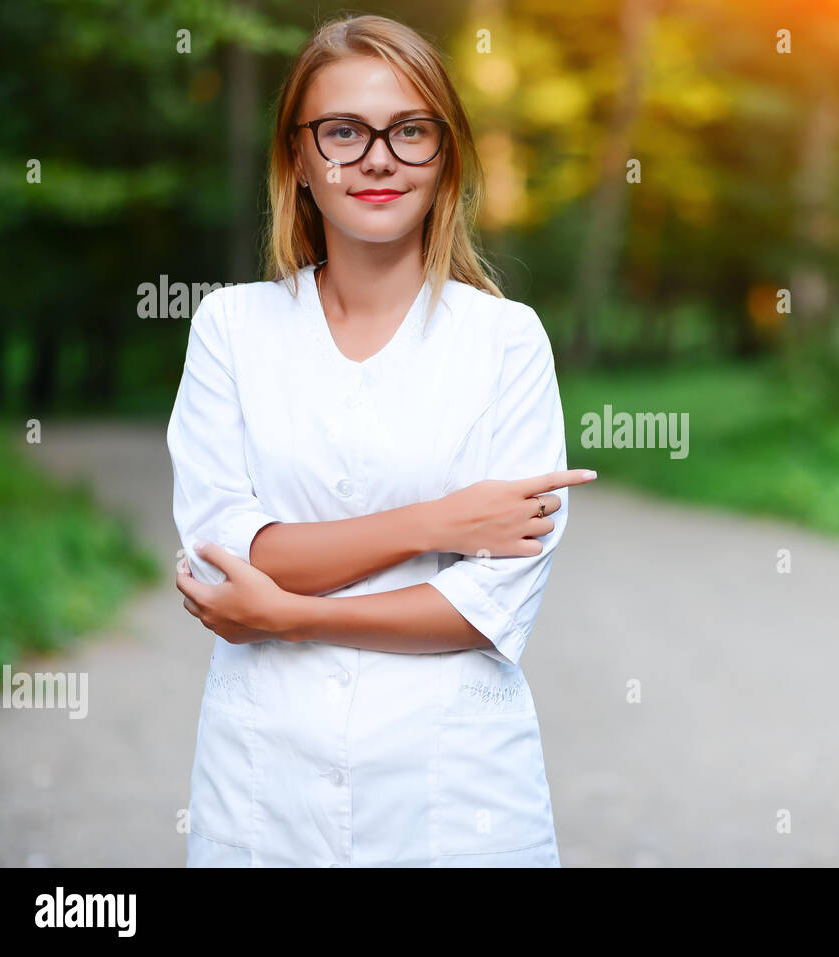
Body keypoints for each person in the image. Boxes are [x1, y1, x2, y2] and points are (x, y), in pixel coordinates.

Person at [167, 13, 596, 867]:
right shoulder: (231, 328)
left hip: (453, 793)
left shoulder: (506, 342)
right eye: (342, 131)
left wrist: (287, 612)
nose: (376, 157)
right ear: (298, 157)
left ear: (447, 158)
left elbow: (488, 608)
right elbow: (228, 556)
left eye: (409, 131)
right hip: (267, 787)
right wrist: (436, 524)